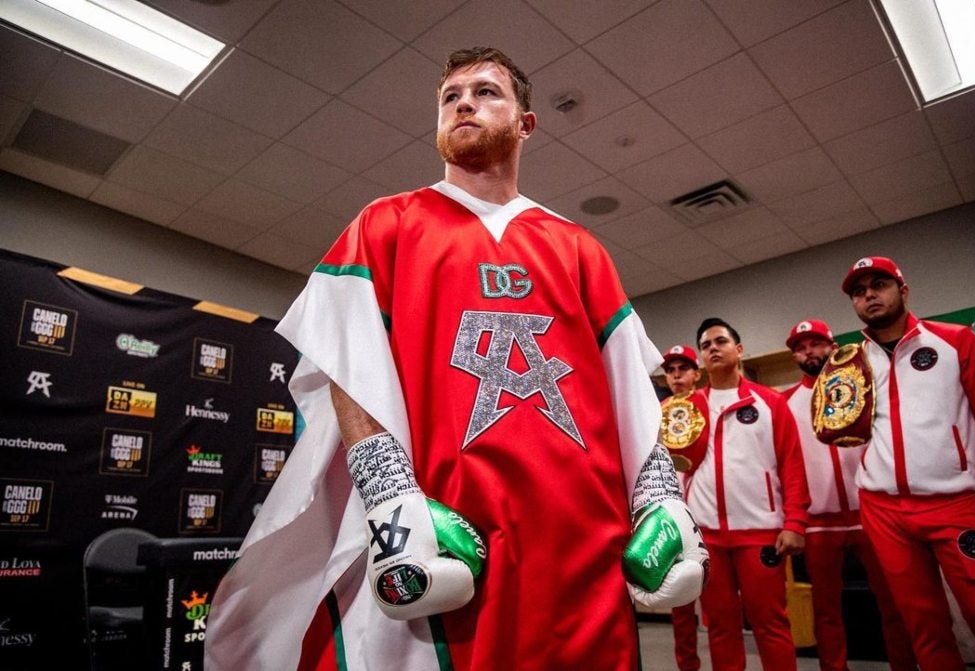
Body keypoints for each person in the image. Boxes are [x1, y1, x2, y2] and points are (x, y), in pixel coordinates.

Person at [205, 47, 706, 671]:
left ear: (526, 122)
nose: (464, 101)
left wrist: (660, 496)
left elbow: (632, 389)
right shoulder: (386, 224)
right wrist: (388, 494)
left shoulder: (580, 248)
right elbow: (348, 363)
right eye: (451, 96)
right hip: (446, 534)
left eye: (487, 91)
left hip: (582, 546)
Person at [840, 256, 975, 670]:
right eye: (859, 292)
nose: (869, 296)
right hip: (883, 508)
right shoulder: (852, 362)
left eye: (879, 285)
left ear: (903, 291)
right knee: (923, 625)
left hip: (955, 502)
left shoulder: (956, 341)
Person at [781, 319, 915, 671]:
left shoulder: (865, 385)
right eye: (800, 347)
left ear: (831, 345)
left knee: (893, 602)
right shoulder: (785, 404)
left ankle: (904, 665)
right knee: (826, 610)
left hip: (871, 511)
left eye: (815, 344)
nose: (809, 352)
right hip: (818, 521)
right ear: (794, 355)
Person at [687, 318, 810, 671]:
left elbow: (792, 465)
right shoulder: (687, 409)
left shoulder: (770, 403)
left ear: (738, 350)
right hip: (706, 536)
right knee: (719, 627)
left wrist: (795, 522)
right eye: (705, 344)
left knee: (770, 625)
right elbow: (676, 471)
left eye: (720, 341)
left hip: (760, 532)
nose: (713, 347)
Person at [660, 344, 705, 671]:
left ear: (696, 373)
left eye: (683, 369)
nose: (677, 375)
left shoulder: (709, 406)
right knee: (680, 605)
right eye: (671, 370)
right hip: (673, 518)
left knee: (719, 610)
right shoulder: (654, 410)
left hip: (709, 515)